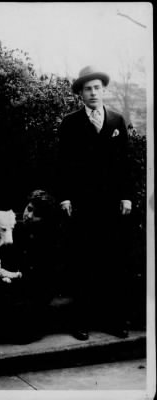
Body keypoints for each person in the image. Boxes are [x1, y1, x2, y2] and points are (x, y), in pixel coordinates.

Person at [57, 66, 132, 341]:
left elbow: (124, 164)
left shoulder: (116, 120)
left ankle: (114, 320)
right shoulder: (70, 122)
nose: (93, 93)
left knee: (112, 261)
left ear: (104, 90)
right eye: (87, 89)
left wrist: (126, 195)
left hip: (111, 204)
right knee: (83, 262)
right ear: (80, 94)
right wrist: (64, 196)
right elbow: (62, 164)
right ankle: (81, 321)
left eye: (97, 88)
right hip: (83, 203)